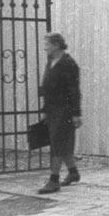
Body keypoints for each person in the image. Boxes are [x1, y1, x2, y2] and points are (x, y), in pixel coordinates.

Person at [38, 32, 84, 194]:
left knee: (58, 144)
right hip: (52, 109)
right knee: (60, 143)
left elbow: (74, 91)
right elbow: (48, 86)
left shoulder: (68, 64)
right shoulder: (51, 61)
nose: (45, 48)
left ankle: (54, 180)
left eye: (47, 45)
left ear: (56, 45)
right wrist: (45, 110)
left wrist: (76, 114)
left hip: (64, 111)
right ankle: (73, 173)